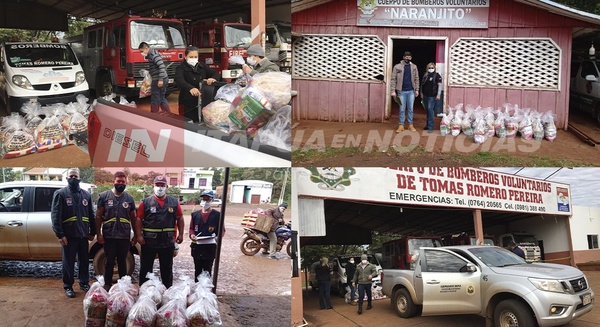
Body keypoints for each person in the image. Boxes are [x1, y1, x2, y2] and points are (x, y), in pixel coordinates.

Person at [50, 168, 96, 298]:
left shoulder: (86, 195)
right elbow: (55, 216)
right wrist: (60, 234)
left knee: (84, 261)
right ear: (67, 178)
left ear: (79, 179)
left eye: (76, 176)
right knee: (68, 262)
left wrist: (92, 231)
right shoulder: (61, 194)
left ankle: (84, 283)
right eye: (71, 176)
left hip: (83, 234)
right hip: (68, 236)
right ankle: (68, 286)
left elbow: (91, 215)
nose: (73, 178)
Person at [135, 175, 185, 288]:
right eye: (158, 185)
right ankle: (144, 290)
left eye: (162, 185)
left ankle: (167, 292)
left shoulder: (174, 202)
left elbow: (180, 218)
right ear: (153, 186)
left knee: (167, 268)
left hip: (167, 241)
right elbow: (138, 219)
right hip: (149, 241)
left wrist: (181, 234)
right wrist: (138, 235)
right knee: (146, 268)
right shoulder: (146, 202)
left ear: (167, 186)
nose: (160, 188)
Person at [95, 171, 137, 290]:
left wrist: (135, 235)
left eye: (123, 182)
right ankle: (107, 284)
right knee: (109, 261)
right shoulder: (104, 196)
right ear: (113, 181)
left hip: (124, 236)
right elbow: (98, 216)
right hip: (109, 235)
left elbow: (133, 218)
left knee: (122, 261)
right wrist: (99, 234)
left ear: (126, 183)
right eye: (118, 181)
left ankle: (122, 286)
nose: (121, 184)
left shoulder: (129, 198)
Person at [175, 46, 221, 122]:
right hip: (187, 101)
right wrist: (190, 88)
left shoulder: (201, 66)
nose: (193, 59)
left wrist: (213, 78)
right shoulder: (180, 68)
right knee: (187, 122)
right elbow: (180, 80)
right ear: (185, 56)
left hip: (202, 100)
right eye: (191, 57)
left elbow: (215, 73)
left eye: (195, 57)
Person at [189, 190, 222, 281]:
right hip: (197, 247)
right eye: (203, 200)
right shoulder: (195, 215)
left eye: (207, 200)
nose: (205, 202)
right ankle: (197, 290)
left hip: (210, 248)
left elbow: (221, 230)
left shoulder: (217, 215)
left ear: (212, 200)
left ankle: (206, 290)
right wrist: (192, 235)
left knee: (207, 270)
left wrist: (217, 237)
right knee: (197, 270)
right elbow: (191, 228)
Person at [138, 42, 171, 114]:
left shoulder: (154, 55)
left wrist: (160, 80)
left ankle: (154, 115)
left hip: (158, 79)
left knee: (155, 98)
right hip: (161, 78)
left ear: (146, 48)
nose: (141, 53)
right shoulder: (151, 55)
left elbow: (162, 66)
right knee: (161, 97)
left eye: (141, 51)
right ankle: (168, 113)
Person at [391, 51, 419, 133]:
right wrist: (393, 91)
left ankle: (410, 125)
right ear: (403, 57)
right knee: (402, 109)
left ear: (411, 58)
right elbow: (393, 79)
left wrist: (417, 89)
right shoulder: (397, 67)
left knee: (410, 109)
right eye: (406, 57)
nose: (407, 58)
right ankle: (401, 125)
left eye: (409, 57)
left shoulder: (414, 67)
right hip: (401, 91)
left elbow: (416, 79)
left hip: (411, 91)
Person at [420, 62, 442, 133]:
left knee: (430, 110)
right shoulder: (425, 75)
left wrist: (438, 95)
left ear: (434, 68)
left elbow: (440, 86)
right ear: (427, 68)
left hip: (432, 96)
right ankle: (427, 125)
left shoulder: (437, 75)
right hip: (425, 95)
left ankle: (431, 127)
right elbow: (422, 85)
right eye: (429, 68)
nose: (431, 69)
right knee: (427, 111)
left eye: (432, 68)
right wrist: (421, 93)